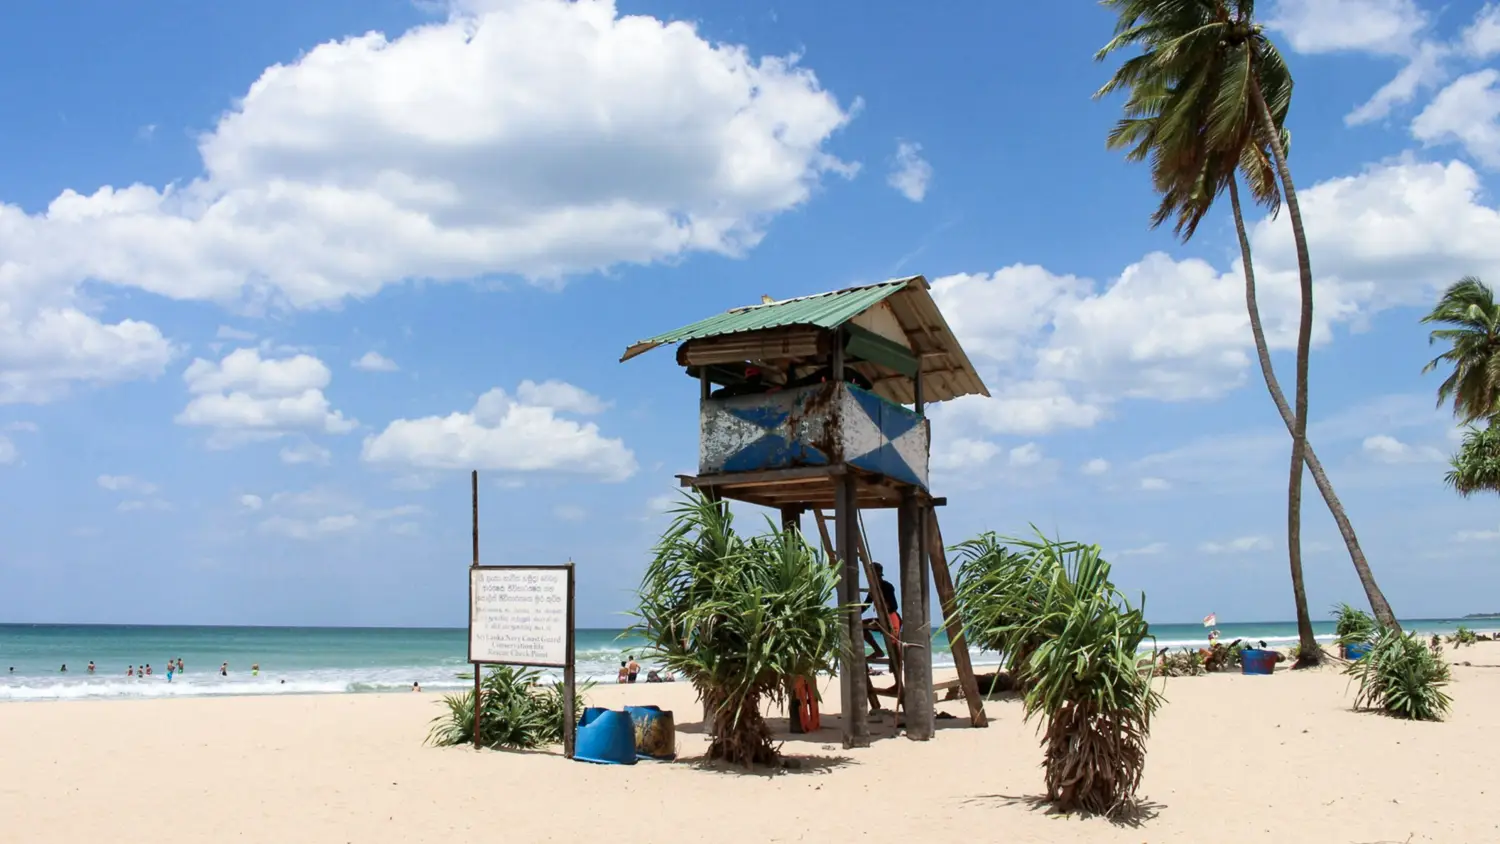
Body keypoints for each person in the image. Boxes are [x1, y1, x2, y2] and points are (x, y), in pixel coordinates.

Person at [862, 563, 901, 661]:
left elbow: (894, 606)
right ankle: (878, 650)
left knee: (895, 652)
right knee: (860, 626)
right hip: (883, 619)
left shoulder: (887, 586)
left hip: (891, 619)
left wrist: (883, 606)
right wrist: (853, 613)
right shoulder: (873, 588)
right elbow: (866, 604)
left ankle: (880, 652)